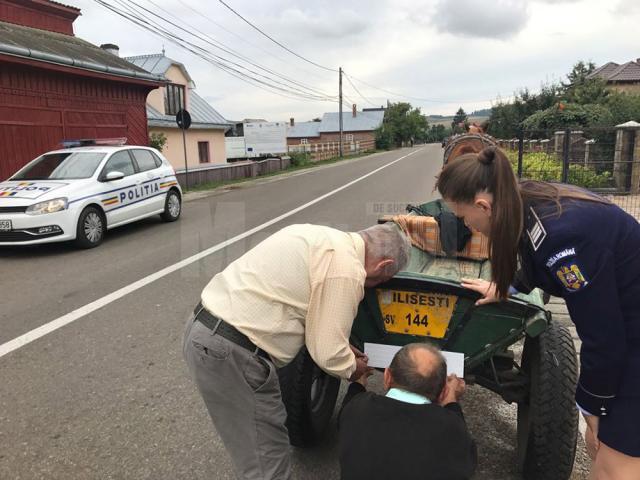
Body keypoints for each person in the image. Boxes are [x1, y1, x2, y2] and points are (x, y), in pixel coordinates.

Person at [436, 146, 640, 479]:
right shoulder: (524, 198)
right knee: (602, 452)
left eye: (463, 217)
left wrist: (592, 407)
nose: (467, 225)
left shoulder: (565, 242)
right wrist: (507, 288)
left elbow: (603, 338)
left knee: (613, 468)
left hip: (632, 341)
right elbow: (533, 252)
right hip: (626, 326)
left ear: (482, 206)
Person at [183, 223, 411, 480]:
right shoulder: (348, 270)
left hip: (204, 329)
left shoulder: (316, 235)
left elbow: (304, 307)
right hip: (234, 353)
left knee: (252, 448)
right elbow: (328, 355)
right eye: (380, 281)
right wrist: (354, 367)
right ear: (383, 266)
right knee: (266, 465)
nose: (372, 285)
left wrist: (340, 345)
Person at [338, 343, 477, 480]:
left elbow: (353, 397)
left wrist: (359, 380)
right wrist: (451, 397)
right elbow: (467, 461)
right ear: (442, 393)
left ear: (387, 377)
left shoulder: (357, 408)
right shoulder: (453, 430)